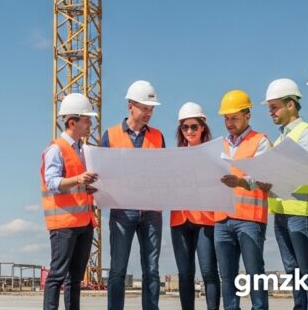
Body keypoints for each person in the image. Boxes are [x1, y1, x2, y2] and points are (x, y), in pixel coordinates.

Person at [101, 80, 165, 310]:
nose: (149, 113)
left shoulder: (158, 136)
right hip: (122, 212)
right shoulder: (110, 135)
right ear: (130, 105)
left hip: (151, 212)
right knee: (117, 270)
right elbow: (102, 173)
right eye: (144, 108)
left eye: (151, 109)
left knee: (152, 270)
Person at [264, 78, 308, 310]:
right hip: (281, 212)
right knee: (293, 270)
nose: (270, 112)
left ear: (291, 105)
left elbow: (301, 171)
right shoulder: (281, 139)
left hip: (301, 213)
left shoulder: (306, 133)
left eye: (274, 106)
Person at [214, 89, 271, 310]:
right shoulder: (220, 146)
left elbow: (264, 177)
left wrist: (238, 182)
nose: (229, 123)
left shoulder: (261, 141)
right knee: (227, 277)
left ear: (248, 115)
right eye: (226, 118)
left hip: (250, 219)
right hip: (221, 219)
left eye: (234, 118)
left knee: (255, 274)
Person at [41, 92, 99, 310]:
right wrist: (79, 179)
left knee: (75, 279)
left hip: (84, 223)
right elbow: (52, 182)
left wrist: (86, 186)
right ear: (72, 122)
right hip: (64, 224)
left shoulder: (81, 151)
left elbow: (74, 185)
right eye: (87, 120)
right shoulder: (56, 149)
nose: (90, 124)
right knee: (57, 275)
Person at [170, 101, 221, 310]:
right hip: (180, 220)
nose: (189, 131)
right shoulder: (173, 156)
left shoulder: (214, 153)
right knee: (184, 274)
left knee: (209, 271)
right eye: (185, 127)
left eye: (194, 126)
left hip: (205, 220)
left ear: (203, 128)